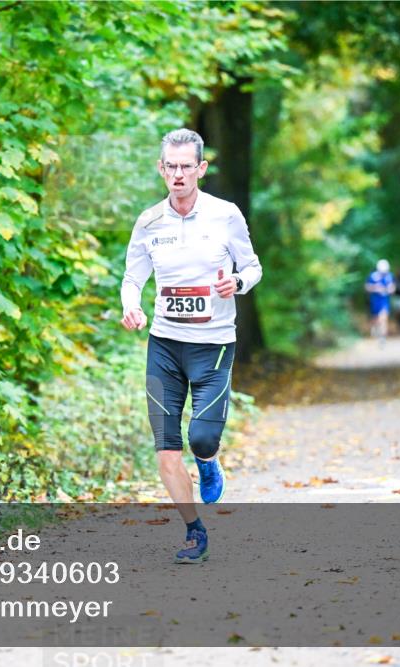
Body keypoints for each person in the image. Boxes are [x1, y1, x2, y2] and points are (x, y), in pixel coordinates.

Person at [120, 128, 262, 564]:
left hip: (213, 346)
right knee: (165, 449)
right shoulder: (148, 222)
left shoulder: (226, 215)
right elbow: (132, 279)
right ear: (161, 168)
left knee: (200, 438)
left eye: (186, 166)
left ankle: (208, 461)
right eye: (171, 166)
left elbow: (252, 267)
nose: (178, 174)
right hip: (163, 346)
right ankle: (193, 531)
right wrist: (132, 307)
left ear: (200, 168)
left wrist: (235, 282)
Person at [365, 259, 395, 345]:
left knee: (384, 318)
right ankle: (376, 330)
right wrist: (376, 288)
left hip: (384, 301)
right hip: (375, 300)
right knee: (376, 319)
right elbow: (367, 287)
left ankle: (382, 337)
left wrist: (390, 289)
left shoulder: (389, 276)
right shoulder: (373, 276)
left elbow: (392, 287)